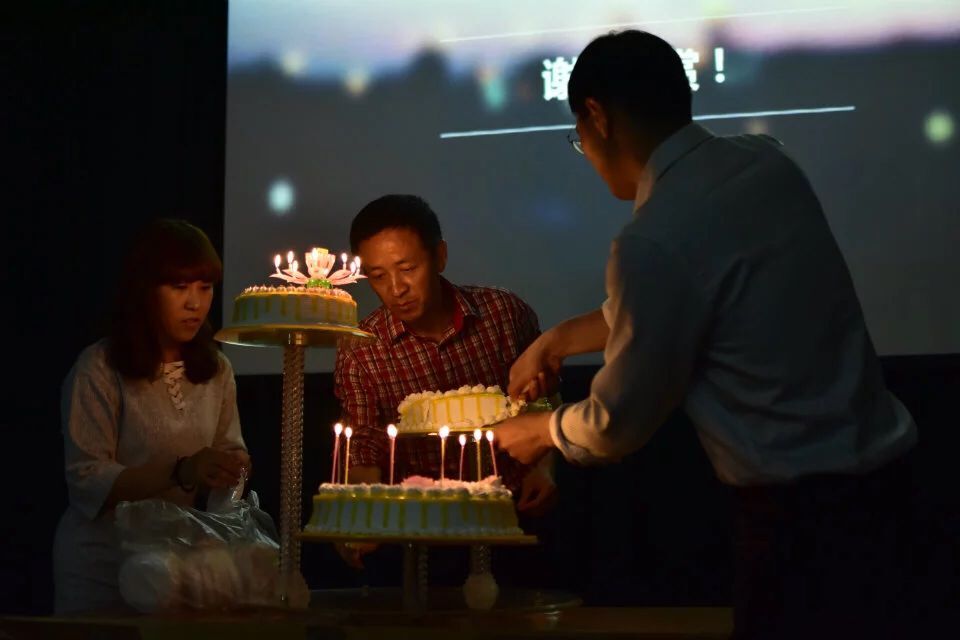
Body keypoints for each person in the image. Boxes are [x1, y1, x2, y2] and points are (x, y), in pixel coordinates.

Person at [495, 31, 917, 638]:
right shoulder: (766, 162)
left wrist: (539, 430)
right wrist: (555, 341)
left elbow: (617, 423)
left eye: (578, 136)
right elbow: (688, 294)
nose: (584, 152)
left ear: (597, 117)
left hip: (801, 524)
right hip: (891, 487)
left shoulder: (652, 239)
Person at [333, 194, 558, 577]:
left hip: (514, 515)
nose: (396, 288)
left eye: (407, 268)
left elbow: (544, 397)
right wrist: (360, 516)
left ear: (439, 256)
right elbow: (365, 446)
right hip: (422, 534)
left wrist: (546, 467)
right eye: (378, 276)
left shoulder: (504, 314)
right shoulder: (361, 349)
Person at [53, 219, 250, 614]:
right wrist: (183, 470)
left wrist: (231, 469)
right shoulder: (100, 368)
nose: (195, 303)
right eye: (179, 287)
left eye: (205, 288)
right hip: (103, 565)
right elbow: (88, 478)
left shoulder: (217, 369)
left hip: (177, 565)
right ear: (145, 291)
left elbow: (230, 449)